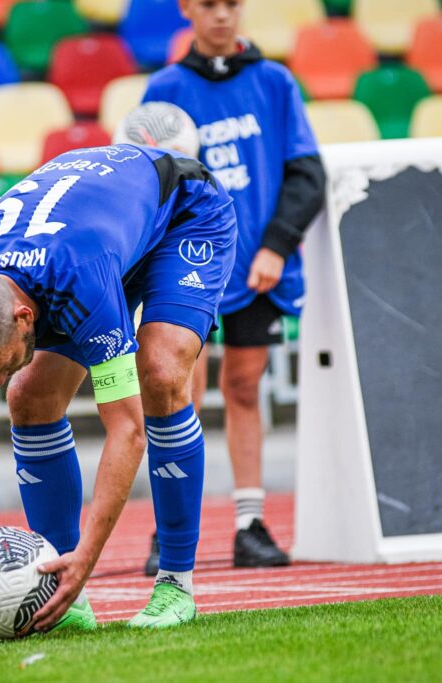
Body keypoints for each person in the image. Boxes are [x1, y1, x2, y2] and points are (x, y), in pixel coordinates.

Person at [0, 144, 236, 631]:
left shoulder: (77, 281)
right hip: (94, 238)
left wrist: (86, 558)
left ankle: (176, 584)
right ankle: (61, 597)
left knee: (158, 374)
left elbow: (128, 432)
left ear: (24, 317)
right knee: (28, 397)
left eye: (3, 363)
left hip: (181, 213)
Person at [140, 0, 326, 573]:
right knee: (179, 392)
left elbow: (307, 172)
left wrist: (275, 245)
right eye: (208, 5)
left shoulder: (274, 80)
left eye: (230, 4)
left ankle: (249, 525)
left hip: (257, 267)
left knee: (245, 388)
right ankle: (172, 529)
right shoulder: (166, 88)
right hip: (188, 267)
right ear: (187, 10)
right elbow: (146, 178)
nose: (221, 15)